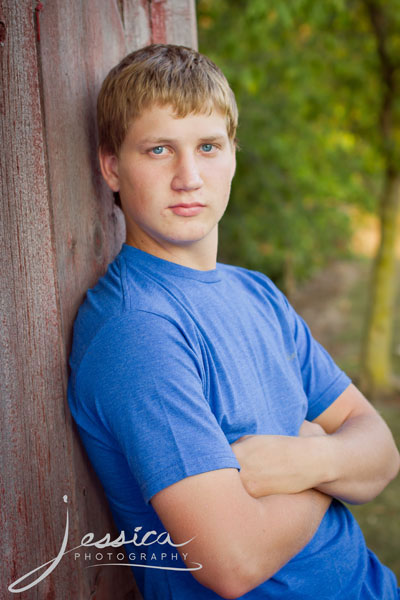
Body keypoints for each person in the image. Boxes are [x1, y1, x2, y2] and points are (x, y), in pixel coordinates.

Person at [67, 44, 400, 599]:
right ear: (112, 168)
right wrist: (327, 468)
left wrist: (301, 459)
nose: (189, 176)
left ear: (233, 156)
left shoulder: (257, 294)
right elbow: (232, 562)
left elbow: (383, 453)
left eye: (208, 146)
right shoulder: (137, 330)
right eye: (158, 150)